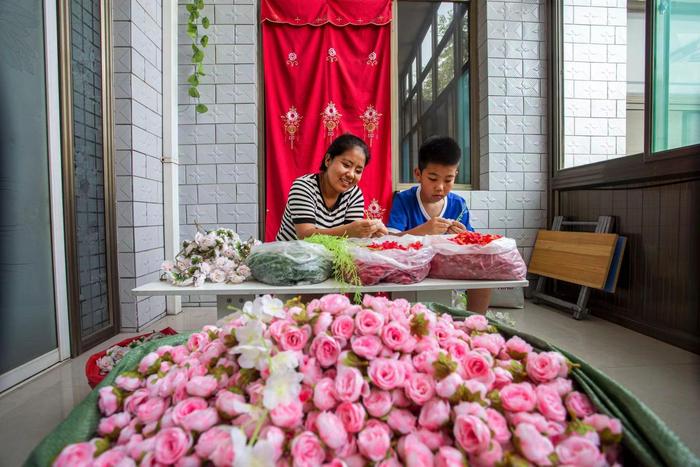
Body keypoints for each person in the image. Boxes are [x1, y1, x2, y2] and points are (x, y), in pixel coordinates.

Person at [386, 135, 491, 313]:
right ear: (418, 174)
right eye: (433, 179)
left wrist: (464, 236)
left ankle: (475, 323)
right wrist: (423, 231)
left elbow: (472, 245)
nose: (440, 187)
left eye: (448, 180)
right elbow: (388, 241)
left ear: (455, 175)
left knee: (486, 269)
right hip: (411, 269)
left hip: (448, 269)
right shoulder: (403, 200)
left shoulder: (458, 205)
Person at [276, 134, 388, 241]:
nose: (351, 174)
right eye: (346, 165)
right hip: (288, 257)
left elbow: (351, 240)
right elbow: (305, 236)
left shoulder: (354, 194)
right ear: (328, 160)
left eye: (358, 171)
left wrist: (366, 233)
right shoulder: (303, 187)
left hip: (325, 257)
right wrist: (349, 231)